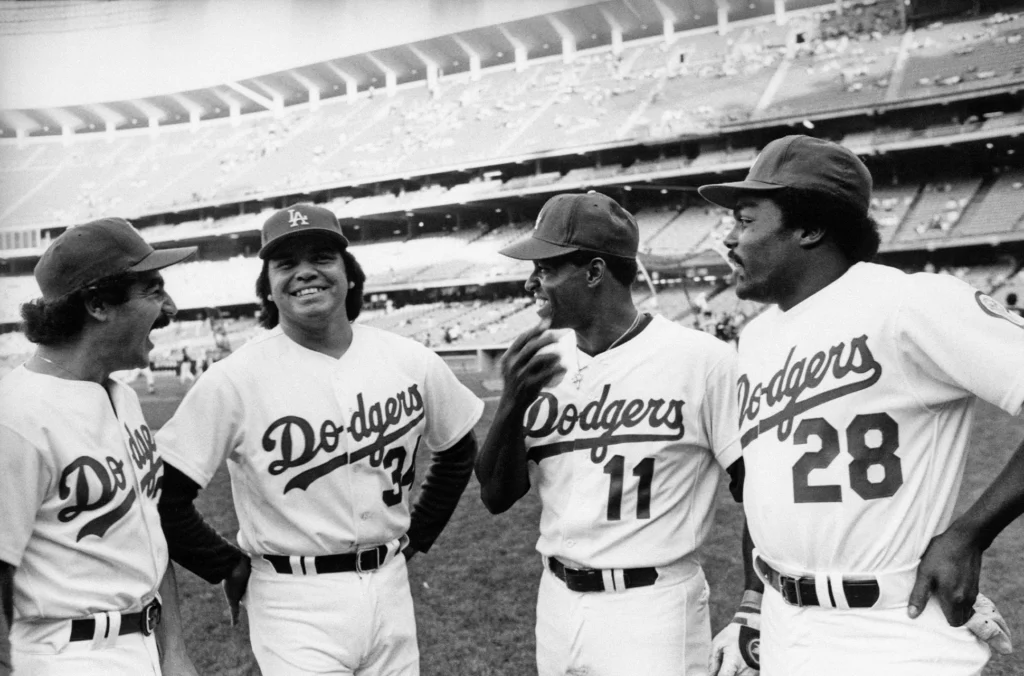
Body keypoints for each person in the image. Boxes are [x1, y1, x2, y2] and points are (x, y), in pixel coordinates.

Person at [698, 135, 1023, 676]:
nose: (729, 241)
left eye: (745, 221)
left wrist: (972, 532)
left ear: (809, 227)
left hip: (893, 627)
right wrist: (753, 606)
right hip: (785, 626)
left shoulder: (909, 303)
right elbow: (765, 487)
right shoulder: (755, 338)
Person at [155, 203, 483, 675]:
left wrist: (420, 536)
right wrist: (224, 563)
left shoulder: (410, 359)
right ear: (267, 288)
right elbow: (166, 495)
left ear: (349, 274)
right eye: (286, 264)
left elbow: (457, 450)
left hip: (390, 582)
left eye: (323, 258)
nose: (305, 273)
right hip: (292, 595)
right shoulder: (233, 379)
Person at [476, 192, 743, 676]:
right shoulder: (544, 359)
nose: (531, 281)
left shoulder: (700, 360)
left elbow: (759, 490)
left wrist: (754, 602)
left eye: (546, 268)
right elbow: (495, 495)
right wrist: (513, 401)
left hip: (652, 606)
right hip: (556, 601)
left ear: (594, 272)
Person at [0, 217, 198, 676]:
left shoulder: (122, 396)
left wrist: (176, 650)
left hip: (144, 644)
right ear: (98, 304)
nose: (170, 307)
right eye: (152, 291)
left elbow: (148, 530)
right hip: (64, 654)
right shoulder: (16, 417)